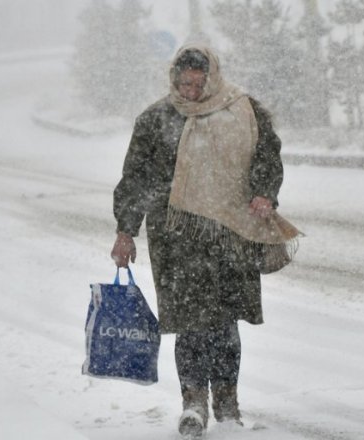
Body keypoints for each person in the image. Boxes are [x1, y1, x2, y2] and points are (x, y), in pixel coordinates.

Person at [110, 44, 298, 438]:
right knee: (191, 324)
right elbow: (136, 178)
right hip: (175, 238)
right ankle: (194, 403)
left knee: (225, 323)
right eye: (184, 82)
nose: (191, 90)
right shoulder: (156, 119)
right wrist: (125, 230)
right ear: (173, 80)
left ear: (212, 77)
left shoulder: (243, 111)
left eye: (199, 82)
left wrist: (265, 192)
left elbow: (267, 155)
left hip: (230, 234)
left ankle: (227, 404)